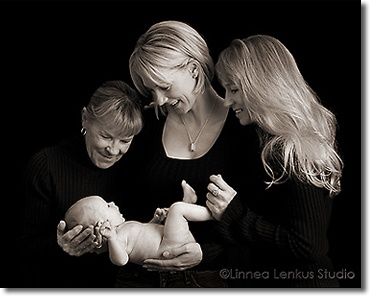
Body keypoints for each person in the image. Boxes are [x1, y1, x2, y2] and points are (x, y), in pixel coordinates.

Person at [206, 35, 344, 287]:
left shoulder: (290, 148)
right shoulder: (268, 141)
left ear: (264, 85)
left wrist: (233, 212)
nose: (226, 100)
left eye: (234, 89)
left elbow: (307, 244)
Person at [124, 20, 251, 287]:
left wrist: (207, 251)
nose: (158, 100)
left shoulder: (243, 123)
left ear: (194, 70)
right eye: (151, 90)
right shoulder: (146, 127)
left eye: (164, 86)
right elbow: (124, 201)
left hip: (220, 281)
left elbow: (263, 223)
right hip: (144, 282)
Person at [17, 80, 143, 287]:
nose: (113, 150)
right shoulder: (47, 165)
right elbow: (24, 244)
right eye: (105, 136)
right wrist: (59, 245)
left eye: (125, 141)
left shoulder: (135, 167)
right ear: (85, 118)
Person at [64, 182, 210, 267]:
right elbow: (121, 261)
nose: (113, 204)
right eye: (108, 206)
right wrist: (112, 238)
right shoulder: (118, 237)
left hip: (165, 241)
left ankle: (188, 204)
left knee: (175, 211)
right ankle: (212, 214)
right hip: (167, 247)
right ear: (102, 226)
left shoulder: (124, 229)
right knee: (177, 209)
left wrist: (155, 221)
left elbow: (144, 235)